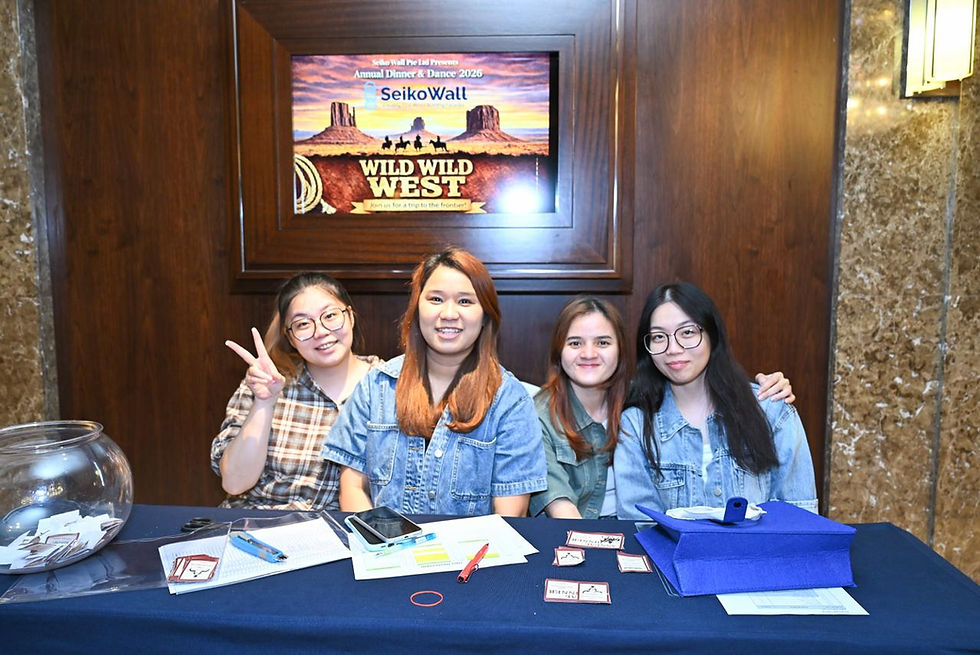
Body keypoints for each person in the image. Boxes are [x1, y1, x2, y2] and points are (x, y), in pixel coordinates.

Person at [323, 247, 546, 517]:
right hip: (386, 550)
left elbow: (511, 514)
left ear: (485, 315)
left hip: (473, 554)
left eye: (465, 301)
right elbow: (353, 488)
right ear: (417, 308)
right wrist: (385, 546)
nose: (449, 313)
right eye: (436, 299)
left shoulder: (509, 400)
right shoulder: (377, 386)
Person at [530, 296, 798, 519]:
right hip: (576, 536)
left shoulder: (642, 402)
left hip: (637, 534)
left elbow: (699, 389)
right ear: (559, 352)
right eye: (575, 343)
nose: (589, 354)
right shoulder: (538, 415)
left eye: (603, 342)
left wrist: (769, 385)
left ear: (621, 351)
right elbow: (559, 505)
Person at [614, 282, 817, 520]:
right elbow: (640, 522)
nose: (673, 348)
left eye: (687, 332)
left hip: (760, 556)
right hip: (673, 558)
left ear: (712, 334)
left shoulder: (771, 407)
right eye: (659, 336)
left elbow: (800, 516)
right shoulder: (635, 424)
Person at [211, 273, 378, 510]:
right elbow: (235, 483)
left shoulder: (386, 384)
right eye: (302, 324)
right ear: (290, 336)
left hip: (336, 533)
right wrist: (264, 402)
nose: (320, 331)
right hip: (255, 526)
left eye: (330, 316)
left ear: (350, 317)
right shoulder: (266, 382)